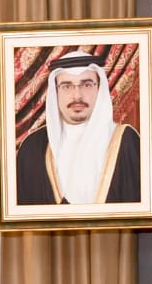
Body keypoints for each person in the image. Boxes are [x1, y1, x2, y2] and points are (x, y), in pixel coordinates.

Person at [15, 50, 141, 205]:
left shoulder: (127, 141)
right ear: (56, 91)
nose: (77, 96)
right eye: (67, 86)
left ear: (99, 88)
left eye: (86, 85)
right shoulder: (32, 147)